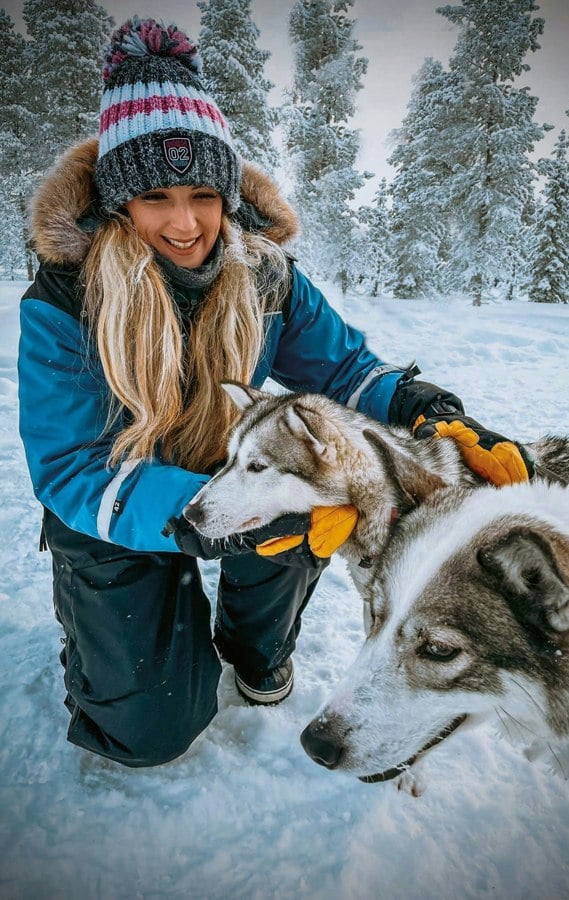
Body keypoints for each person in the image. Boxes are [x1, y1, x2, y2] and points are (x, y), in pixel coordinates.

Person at [18, 17, 531, 768]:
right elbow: (70, 466)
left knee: (316, 488)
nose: (185, 222)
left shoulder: (264, 275)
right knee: (148, 735)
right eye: (156, 196)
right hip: (113, 505)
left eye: (203, 193)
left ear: (228, 194)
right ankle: (109, 648)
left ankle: (252, 644)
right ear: (119, 202)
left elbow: (348, 372)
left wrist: (429, 411)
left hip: (232, 478)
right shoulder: (66, 298)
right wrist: (197, 521)